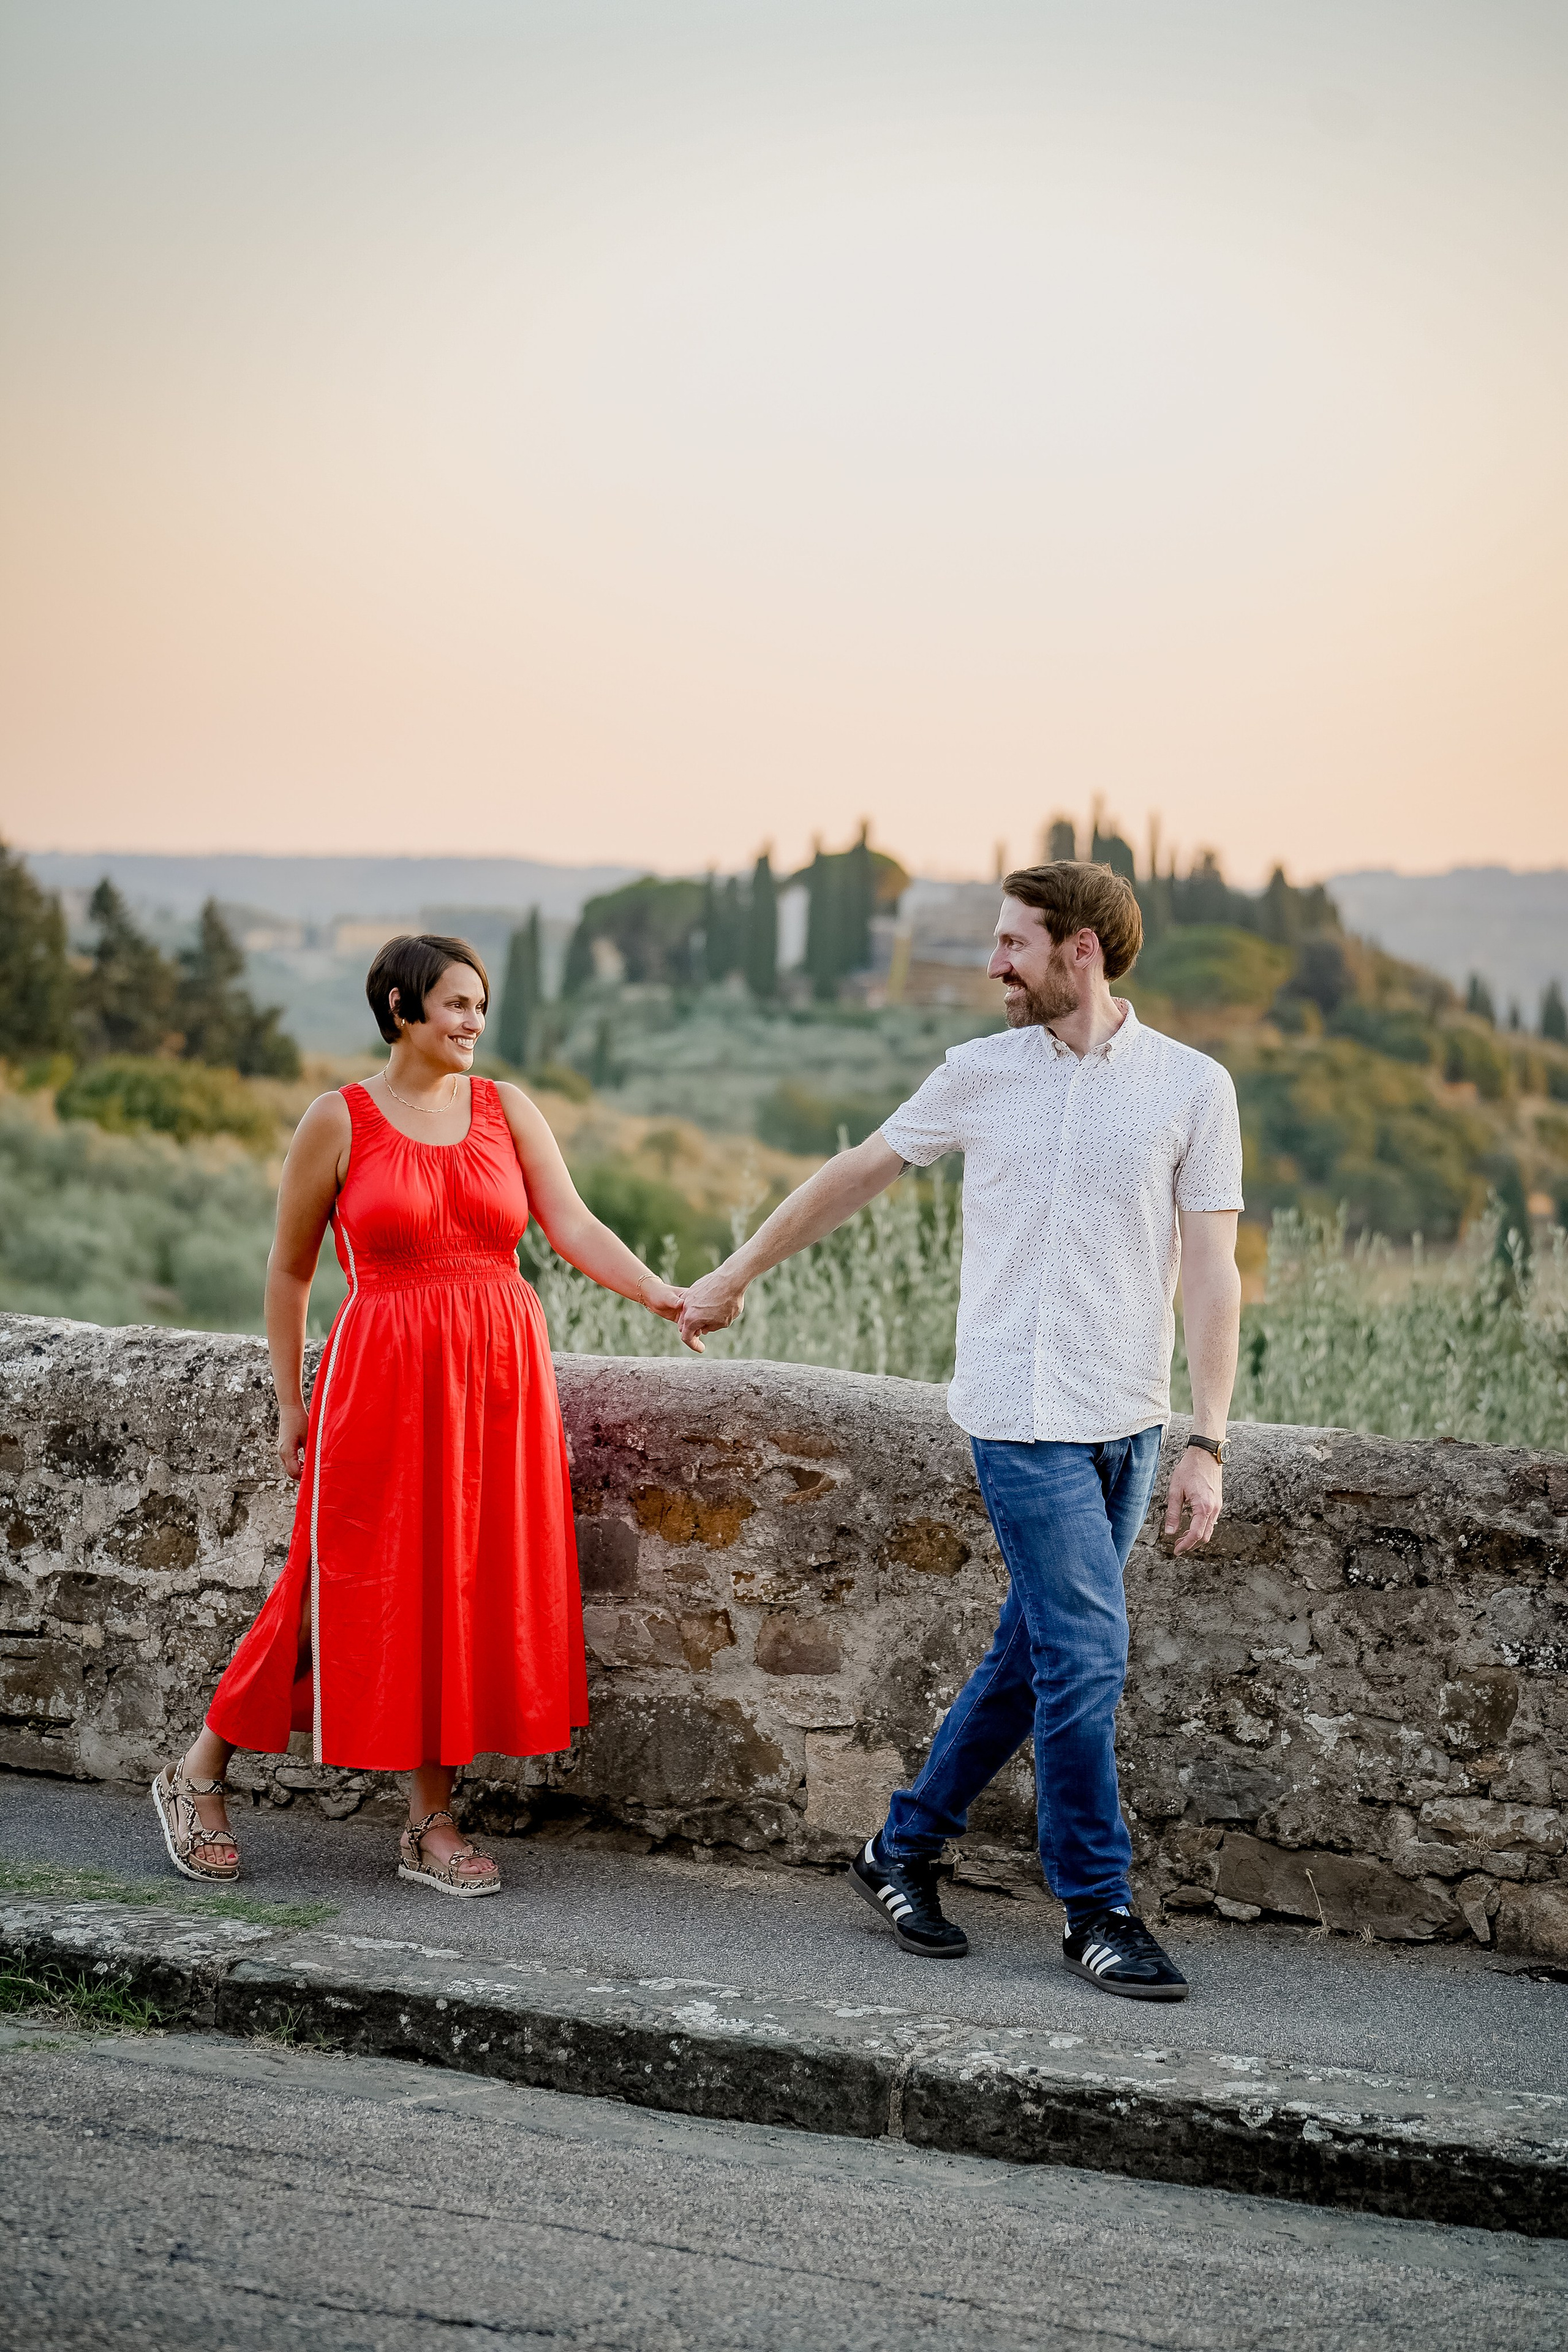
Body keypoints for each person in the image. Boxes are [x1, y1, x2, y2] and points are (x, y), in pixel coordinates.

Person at [680, 862, 1242, 1999]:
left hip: (1128, 1424)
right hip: (1019, 1416)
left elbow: (1213, 1268)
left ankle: (901, 1845)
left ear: (1080, 951)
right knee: (1086, 1656)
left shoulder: (1192, 1087)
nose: (992, 964)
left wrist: (1208, 1436)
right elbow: (859, 1171)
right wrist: (735, 1273)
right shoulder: (980, 1073)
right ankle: (1097, 1907)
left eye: (1013, 944)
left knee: (1029, 1656)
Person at [152, 933, 690, 1898]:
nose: (475, 1022)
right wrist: (289, 1402)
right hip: (382, 1381)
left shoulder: (506, 1109)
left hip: (498, 1382)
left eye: (481, 1005)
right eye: (455, 1004)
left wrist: (663, 1295)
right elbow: (289, 1269)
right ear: (401, 1009)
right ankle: (198, 1773)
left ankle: (428, 1820)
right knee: (335, 1586)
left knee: (462, 1589)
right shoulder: (339, 1119)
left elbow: (569, 1225)